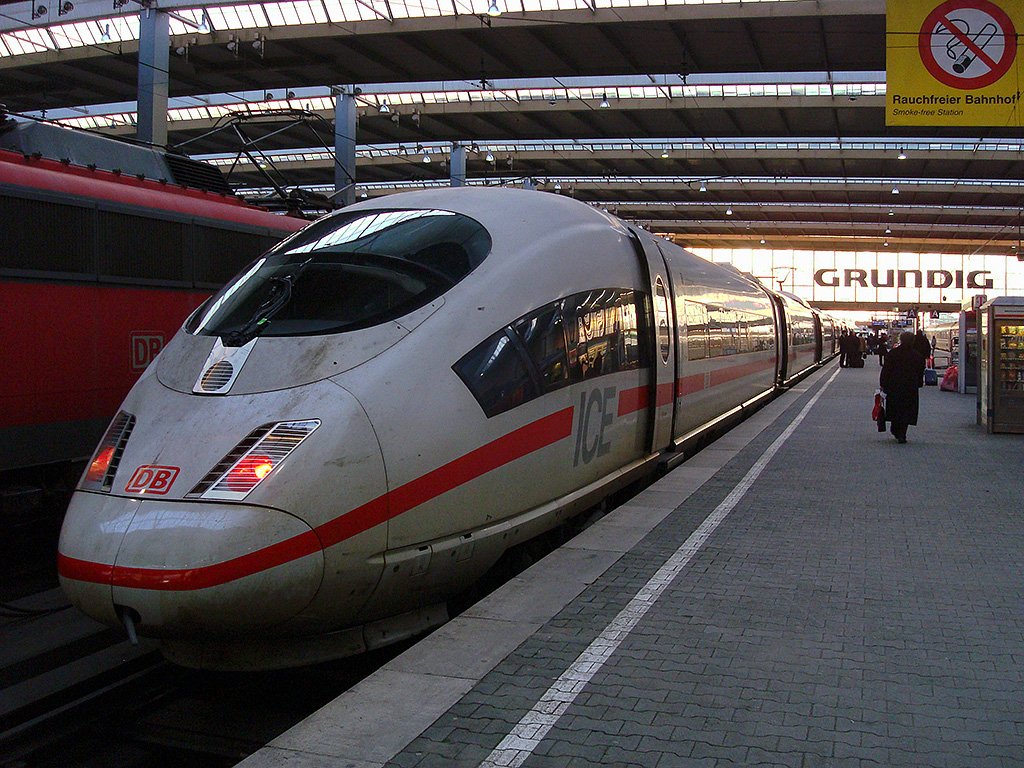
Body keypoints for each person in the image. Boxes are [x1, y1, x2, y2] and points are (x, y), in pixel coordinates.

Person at [879, 331, 927, 444]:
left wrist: (883, 383)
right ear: (912, 341)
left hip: (894, 386)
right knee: (907, 409)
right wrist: (919, 383)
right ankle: (902, 433)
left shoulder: (893, 353)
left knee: (895, 408)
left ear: (901, 340)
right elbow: (920, 372)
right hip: (910, 387)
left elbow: (886, 370)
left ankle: (896, 429)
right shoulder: (917, 356)